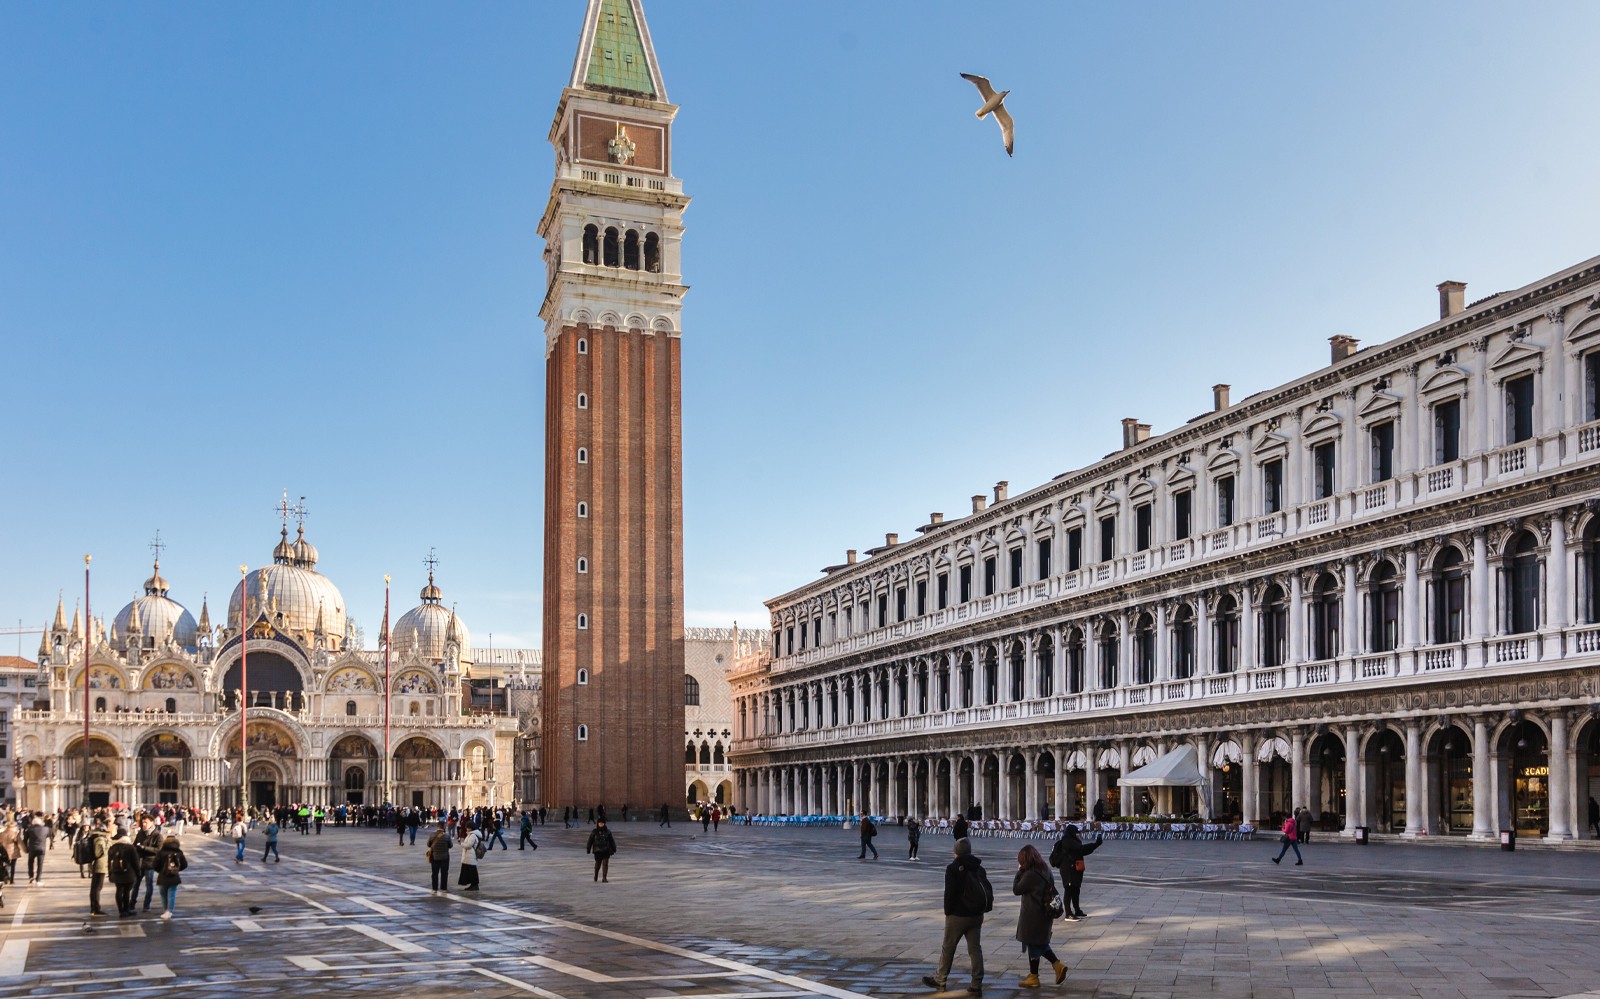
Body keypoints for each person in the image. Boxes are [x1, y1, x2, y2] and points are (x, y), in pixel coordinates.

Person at [922, 837, 990, 996]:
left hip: (958, 915)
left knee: (948, 947)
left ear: (956, 852)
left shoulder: (953, 868)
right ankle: (976, 983)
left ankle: (940, 979)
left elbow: (950, 893)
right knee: (975, 949)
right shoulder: (979, 867)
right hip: (976, 915)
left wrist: (948, 911)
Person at [1012, 844, 1067, 988]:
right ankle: (1034, 975)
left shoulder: (1029, 874)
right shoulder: (1045, 870)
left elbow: (1017, 889)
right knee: (1037, 943)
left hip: (1033, 915)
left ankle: (1055, 966)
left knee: (1035, 944)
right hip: (1045, 913)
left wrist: (1019, 872)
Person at [1048, 824, 1103, 920]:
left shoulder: (1074, 841)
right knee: (1069, 889)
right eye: (1077, 832)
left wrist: (1095, 845)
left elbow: (1082, 851)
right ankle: (1068, 913)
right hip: (1068, 869)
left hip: (1075, 868)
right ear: (1072, 832)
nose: (1078, 834)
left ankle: (1077, 910)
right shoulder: (1067, 841)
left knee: (1076, 889)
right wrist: (1095, 844)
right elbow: (1081, 849)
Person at [106, 827, 140, 918]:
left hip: (116, 872)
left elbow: (109, 862)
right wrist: (138, 873)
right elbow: (135, 862)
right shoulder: (130, 847)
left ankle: (121, 910)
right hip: (128, 873)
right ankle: (126, 909)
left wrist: (110, 873)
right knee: (126, 892)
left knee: (119, 890)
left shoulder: (113, 847)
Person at [154, 835, 186, 919]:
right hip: (174, 877)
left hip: (162, 876)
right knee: (172, 894)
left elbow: (155, 865)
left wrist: (161, 870)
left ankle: (165, 910)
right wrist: (176, 870)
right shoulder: (179, 852)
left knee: (163, 894)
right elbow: (184, 864)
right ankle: (170, 911)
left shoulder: (161, 852)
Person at [134, 815, 162, 911]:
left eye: (146, 822)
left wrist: (144, 848)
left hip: (150, 863)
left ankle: (146, 905)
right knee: (135, 884)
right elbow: (134, 845)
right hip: (140, 862)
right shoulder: (140, 833)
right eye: (143, 823)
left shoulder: (157, 835)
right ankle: (131, 904)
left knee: (148, 885)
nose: (144, 824)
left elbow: (159, 849)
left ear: (152, 822)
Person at [85, 818, 111, 917]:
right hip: (100, 866)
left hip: (98, 865)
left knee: (95, 887)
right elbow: (98, 853)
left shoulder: (96, 838)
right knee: (97, 888)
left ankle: (94, 907)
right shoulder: (99, 839)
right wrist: (108, 844)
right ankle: (96, 908)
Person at [425, 822, 453, 894]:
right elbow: (450, 845)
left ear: (437, 827)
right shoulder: (447, 836)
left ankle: (434, 889)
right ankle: (443, 888)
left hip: (434, 857)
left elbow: (428, 844)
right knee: (444, 873)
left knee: (434, 873)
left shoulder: (432, 835)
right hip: (445, 857)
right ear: (443, 827)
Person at [23, 816, 48, 885]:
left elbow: (25, 840)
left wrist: (26, 848)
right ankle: (38, 879)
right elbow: (48, 835)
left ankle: (31, 877)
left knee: (30, 862)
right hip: (42, 848)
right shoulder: (45, 829)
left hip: (32, 848)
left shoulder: (29, 829)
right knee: (40, 864)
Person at [458, 824, 483, 891]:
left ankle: (474, 885)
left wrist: (462, 844)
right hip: (469, 855)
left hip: (470, 855)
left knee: (472, 871)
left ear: (471, 828)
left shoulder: (473, 835)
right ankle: (473, 885)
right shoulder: (471, 835)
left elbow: (469, 845)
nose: (466, 829)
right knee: (470, 871)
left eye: (468, 828)